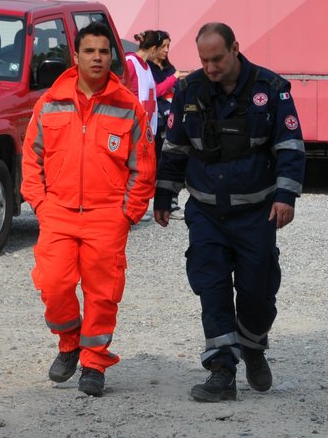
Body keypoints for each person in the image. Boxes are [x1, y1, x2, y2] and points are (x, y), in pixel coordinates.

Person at [154, 22, 304, 402]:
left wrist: (285, 196)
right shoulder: (188, 90)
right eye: (204, 60)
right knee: (212, 286)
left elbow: (290, 147)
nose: (211, 67)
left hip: (256, 214)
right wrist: (164, 195)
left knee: (257, 293)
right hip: (206, 212)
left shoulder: (270, 90)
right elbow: (174, 149)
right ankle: (221, 370)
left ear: (236, 48)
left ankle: (252, 344)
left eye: (217, 58)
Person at [20, 22, 156, 397]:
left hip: (107, 216)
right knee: (53, 284)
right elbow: (31, 160)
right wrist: (42, 205)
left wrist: (128, 213)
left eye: (103, 51)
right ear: (75, 56)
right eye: (89, 51)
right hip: (58, 213)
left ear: (111, 57)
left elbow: (143, 165)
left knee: (102, 292)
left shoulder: (127, 106)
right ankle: (69, 343)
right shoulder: (50, 102)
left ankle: (94, 362)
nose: (97, 57)